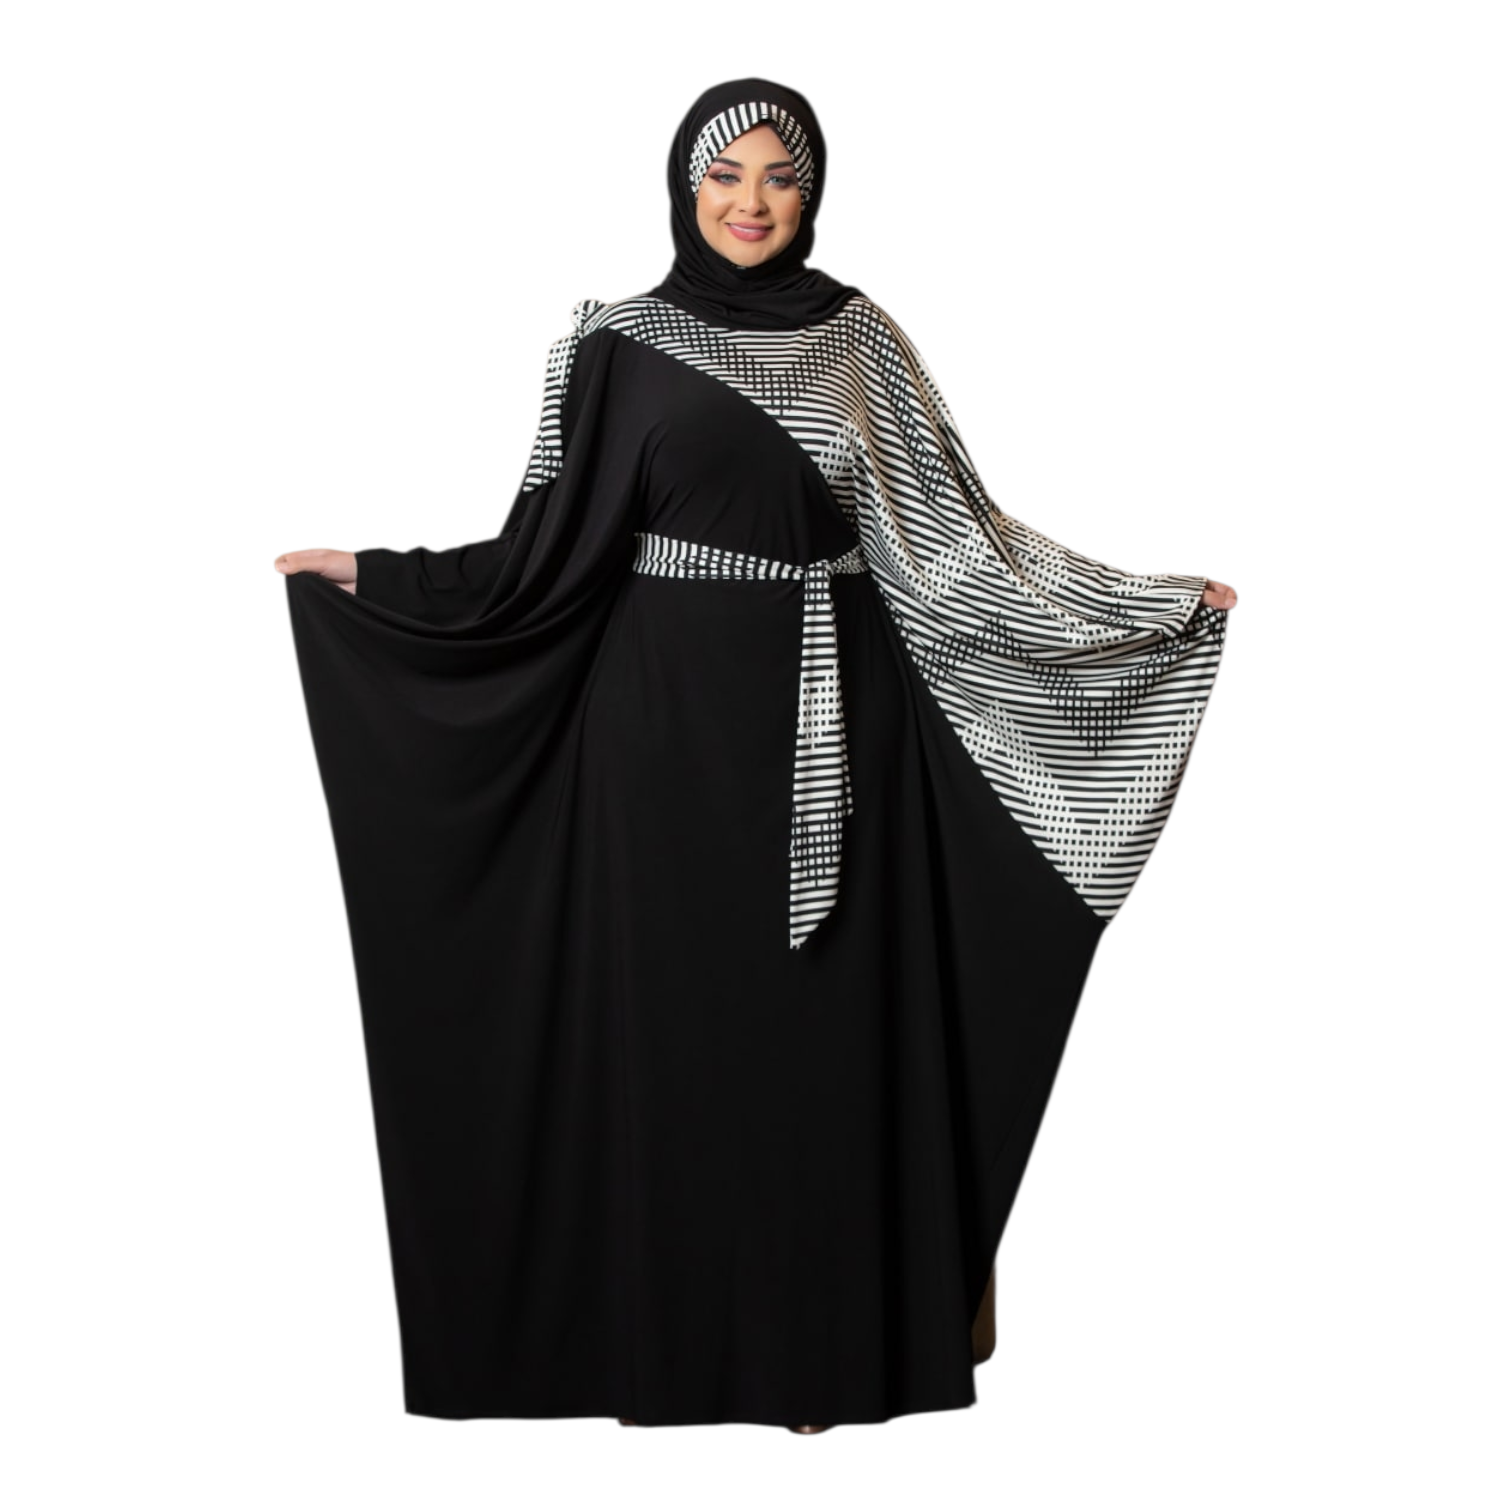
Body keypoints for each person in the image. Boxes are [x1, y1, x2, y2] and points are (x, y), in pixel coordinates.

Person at [276, 77, 1236, 1434]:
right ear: (685, 188)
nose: (751, 202)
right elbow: (545, 550)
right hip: (664, 746)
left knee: (818, 1046)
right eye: (726, 176)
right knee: (680, 1043)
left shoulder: (861, 338)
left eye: (781, 177)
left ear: (812, 193)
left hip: (843, 736)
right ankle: (660, 1354)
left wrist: (1139, 607)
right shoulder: (616, 341)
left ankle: (819, 1362)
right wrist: (379, 576)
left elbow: (962, 543)